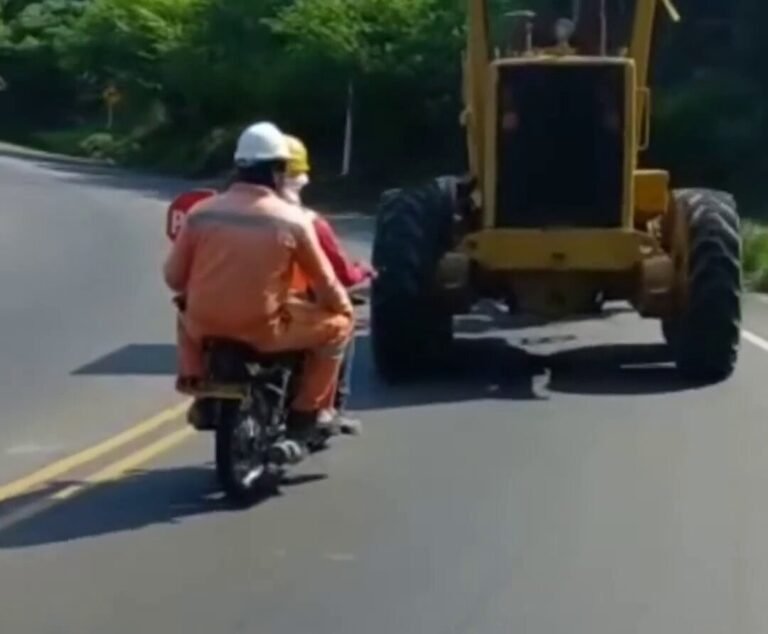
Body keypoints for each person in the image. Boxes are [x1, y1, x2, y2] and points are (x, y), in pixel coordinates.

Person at [164, 121, 354, 456]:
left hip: (204, 326)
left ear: (238, 166)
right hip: (265, 328)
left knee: (183, 308)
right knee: (339, 328)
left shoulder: (200, 213)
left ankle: (196, 383)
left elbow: (174, 279)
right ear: (279, 171)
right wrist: (343, 308)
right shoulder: (293, 220)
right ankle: (305, 415)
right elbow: (325, 282)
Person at [282, 134, 374, 434]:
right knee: (342, 325)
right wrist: (365, 272)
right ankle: (324, 408)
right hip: (288, 312)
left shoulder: (218, 214)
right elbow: (343, 275)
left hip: (223, 313)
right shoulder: (308, 222)